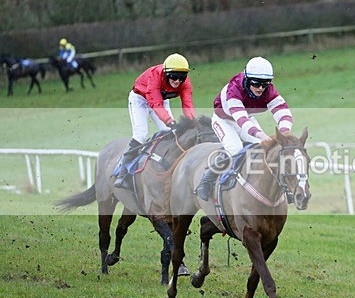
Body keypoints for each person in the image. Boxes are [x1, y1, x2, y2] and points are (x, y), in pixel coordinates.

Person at [194, 56, 293, 201]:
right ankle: (206, 179)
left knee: (261, 148)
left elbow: (283, 112)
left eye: (265, 83)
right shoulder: (234, 89)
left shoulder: (269, 91)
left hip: (246, 117)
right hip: (224, 120)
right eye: (257, 83)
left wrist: (284, 134)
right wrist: (260, 134)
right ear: (247, 79)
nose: (261, 88)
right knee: (235, 149)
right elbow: (241, 120)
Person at [114, 53, 195, 189]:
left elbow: (188, 104)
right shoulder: (155, 76)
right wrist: (170, 122)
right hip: (140, 99)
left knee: (169, 132)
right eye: (174, 76)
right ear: (166, 73)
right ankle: (122, 173)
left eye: (182, 77)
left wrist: (193, 122)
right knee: (140, 134)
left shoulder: (185, 83)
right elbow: (155, 104)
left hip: (161, 99)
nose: (177, 81)